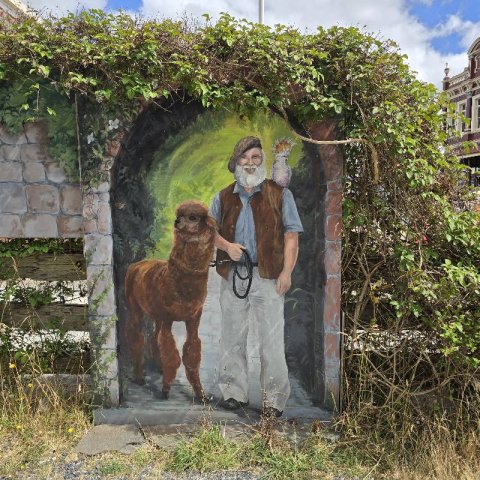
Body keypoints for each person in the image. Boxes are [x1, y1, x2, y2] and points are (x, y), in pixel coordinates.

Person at [209, 136, 303, 417]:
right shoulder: (223, 196)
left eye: (256, 158)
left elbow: (291, 235)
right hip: (233, 275)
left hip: (268, 276)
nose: (250, 163)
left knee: (271, 340)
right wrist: (227, 246)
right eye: (245, 158)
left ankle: (273, 400)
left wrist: (287, 272)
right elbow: (208, 231)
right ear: (236, 161)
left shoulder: (280, 194)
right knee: (231, 336)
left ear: (262, 161)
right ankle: (234, 393)